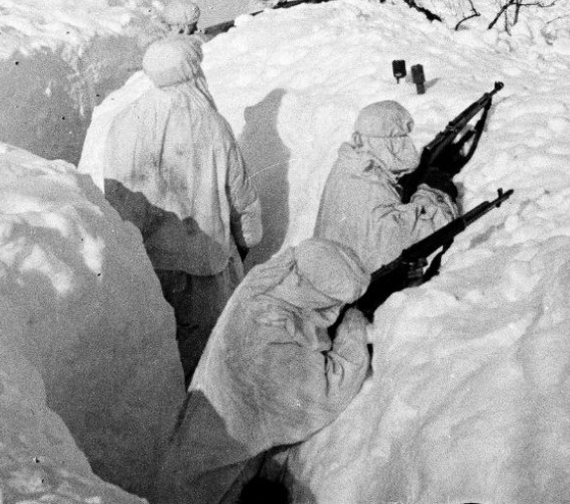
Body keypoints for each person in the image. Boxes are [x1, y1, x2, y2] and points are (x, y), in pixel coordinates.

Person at [154, 238, 371, 504]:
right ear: (313, 294)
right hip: (206, 488)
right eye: (332, 304)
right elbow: (328, 392)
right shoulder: (268, 343)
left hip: (195, 458)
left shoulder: (269, 284)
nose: (334, 312)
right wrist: (353, 329)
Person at [103, 38, 262, 381]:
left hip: (148, 267)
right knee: (210, 356)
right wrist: (248, 238)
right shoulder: (212, 125)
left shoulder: (123, 123)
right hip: (205, 265)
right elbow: (240, 197)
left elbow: (115, 198)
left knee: (162, 356)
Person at [314, 100, 458, 274]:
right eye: (399, 138)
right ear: (387, 141)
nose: (406, 144)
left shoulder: (350, 163)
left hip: (331, 271)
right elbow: (414, 235)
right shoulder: (370, 185)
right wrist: (432, 193)